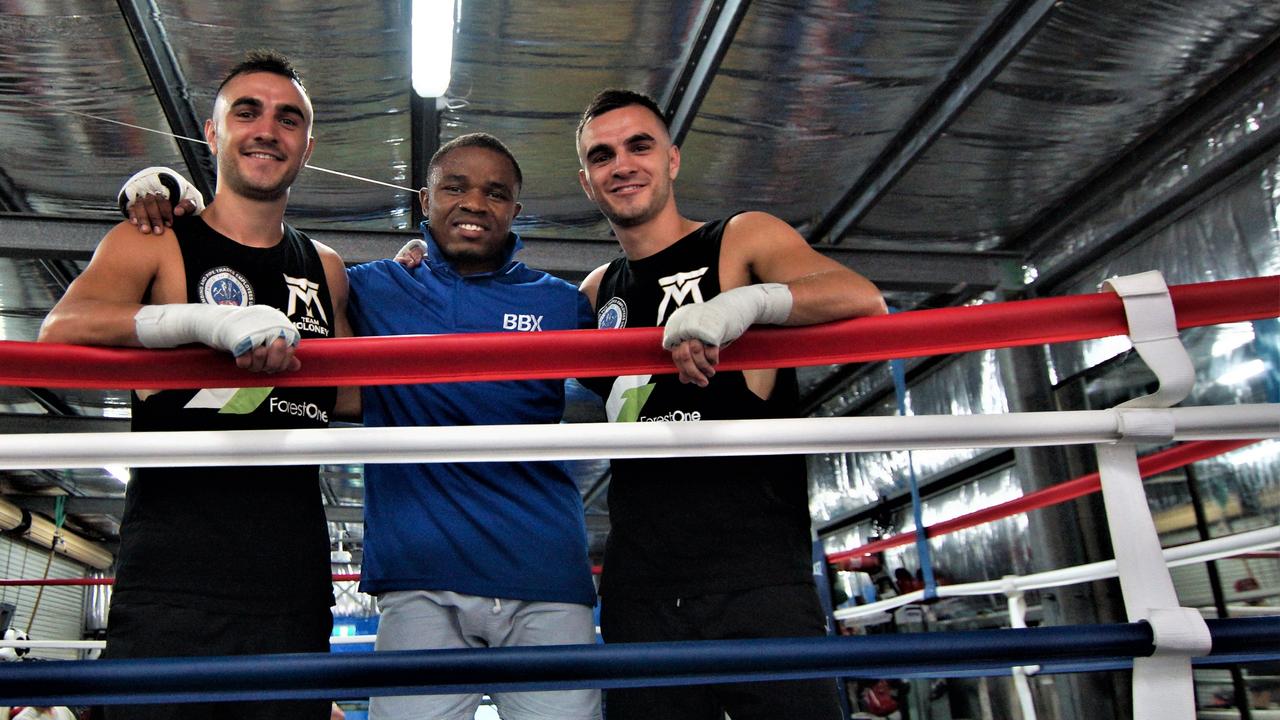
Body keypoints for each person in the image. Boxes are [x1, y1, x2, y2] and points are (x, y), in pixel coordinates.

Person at [118, 133, 601, 720]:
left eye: (496, 193)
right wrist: (170, 194)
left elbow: (636, 332)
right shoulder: (374, 285)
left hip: (546, 575)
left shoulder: (562, 305)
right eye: (455, 187)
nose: (475, 202)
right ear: (424, 201)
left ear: (516, 212)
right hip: (419, 582)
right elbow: (262, 265)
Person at [39, 50, 350, 720]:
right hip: (174, 583)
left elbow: (354, 389)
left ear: (307, 145)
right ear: (212, 134)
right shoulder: (154, 240)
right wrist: (202, 322)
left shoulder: (326, 268)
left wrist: (418, 259)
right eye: (248, 111)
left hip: (291, 586)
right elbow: (59, 333)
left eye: (288, 118)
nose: (268, 128)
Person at [574, 89, 887, 720]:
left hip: (756, 577)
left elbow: (862, 298)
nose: (622, 165)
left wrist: (746, 303)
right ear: (587, 182)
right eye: (602, 155)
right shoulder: (595, 291)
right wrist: (423, 262)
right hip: (642, 584)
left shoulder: (738, 240)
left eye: (640, 145)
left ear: (673, 161)